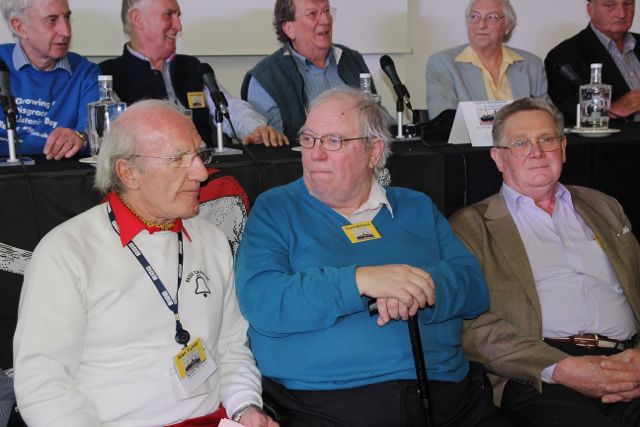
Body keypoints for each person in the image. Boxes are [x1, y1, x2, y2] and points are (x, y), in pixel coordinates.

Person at [235, 87, 509, 427]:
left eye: (333, 141)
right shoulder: (275, 210)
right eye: (308, 139)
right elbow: (262, 299)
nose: (315, 154)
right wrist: (361, 281)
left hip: (443, 395)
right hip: (326, 401)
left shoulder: (416, 206)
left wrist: (417, 288)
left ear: (373, 151)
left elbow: (473, 288)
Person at [13, 99, 278, 427]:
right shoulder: (67, 252)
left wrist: (244, 408)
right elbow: (42, 381)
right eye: (179, 159)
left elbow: (231, 345)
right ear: (128, 172)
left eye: (200, 155)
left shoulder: (211, 240)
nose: (201, 173)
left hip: (212, 418)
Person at [450, 97, 640, 426]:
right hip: (541, 375)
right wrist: (562, 368)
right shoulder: (471, 226)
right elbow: (472, 326)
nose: (536, 152)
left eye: (546, 139)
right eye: (520, 143)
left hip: (629, 361)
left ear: (563, 148)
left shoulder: (603, 206)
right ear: (498, 158)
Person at [100, 0, 287, 147]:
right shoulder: (108, 75)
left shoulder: (191, 66)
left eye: (178, 16)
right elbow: (118, 140)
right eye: (168, 15)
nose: (178, 26)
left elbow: (229, 108)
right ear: (137, 19)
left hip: (204, 166)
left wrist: (256, 128)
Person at [241, 0, 374, 142]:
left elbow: (375, 118)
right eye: (312, 14)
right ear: (289, 28)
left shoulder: (351, 59)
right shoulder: (266, 78)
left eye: (327, 11)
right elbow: (275, 146)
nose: (325, 20)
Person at [0, 0, 99, 159]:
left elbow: (96, 133)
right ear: (20, 27)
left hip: (58, 172)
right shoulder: (2, 61)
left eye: (67, 18)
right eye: (52, 20)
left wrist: (80, 138)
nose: (66, 31)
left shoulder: (85, 72)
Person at [426, 0, 548, 119]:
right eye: (474, 17)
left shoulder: (532, 65)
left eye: (492, 17)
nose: (481, 25)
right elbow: (444, 121)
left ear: (508, 26)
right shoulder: (443, 63)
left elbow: (547, 117)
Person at [545, 0, 640, 124]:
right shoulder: (563, 56)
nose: (622, 14)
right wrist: (612, 110)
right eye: (610, 5)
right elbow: (563, 113)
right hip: (616, 135)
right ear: (591, 10)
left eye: (627, 4)